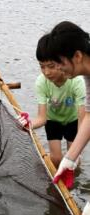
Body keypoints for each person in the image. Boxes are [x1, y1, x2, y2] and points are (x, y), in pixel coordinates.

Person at [36, 21, 90, 215]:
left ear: (77, 56)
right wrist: (70, 158)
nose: (57, 70)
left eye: (59, 63)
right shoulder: (86, 74)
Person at [27, 35, 85, 167]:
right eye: (42, 67)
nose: (46, 72)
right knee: (56, 159)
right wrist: (27, 125)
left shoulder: (77, 82)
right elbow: (42, 118)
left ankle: (73, 179)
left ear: (62, 62)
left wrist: (75, 152)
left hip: (73, 121)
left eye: (51, 66)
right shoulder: (41, 82)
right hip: (53, 121)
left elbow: (83, 122)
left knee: (74, 161)